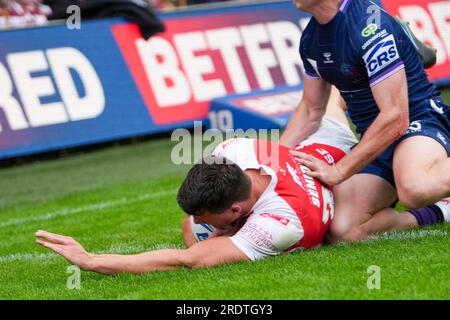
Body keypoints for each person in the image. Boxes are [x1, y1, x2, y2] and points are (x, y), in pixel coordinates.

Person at [35, 91, 450, 274]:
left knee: (347, 232)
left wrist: (91, 261)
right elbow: (192, 224)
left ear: (238, 210)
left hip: (350, 166)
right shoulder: (232, 153)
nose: (202, 223)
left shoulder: (281, 224)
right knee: (326, 108)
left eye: (213, 219)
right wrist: (203, 227)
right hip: (320, 145)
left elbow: (188, 259)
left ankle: (439, 208)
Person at [281, 0, 450, 242]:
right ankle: (443, 211)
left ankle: (404, 43)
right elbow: (311, 110)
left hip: (419, 119)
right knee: (345, 229)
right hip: (377, 135)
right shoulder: (310, 39)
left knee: (415, 187)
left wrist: (339, 170)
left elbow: (395, 117)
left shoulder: (370, 27)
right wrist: (276, 160)